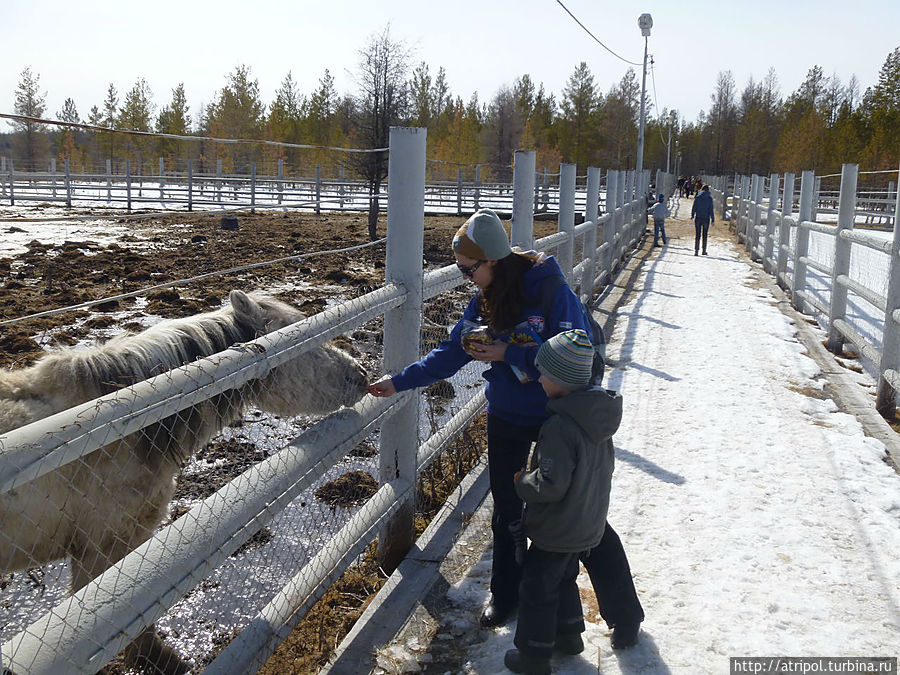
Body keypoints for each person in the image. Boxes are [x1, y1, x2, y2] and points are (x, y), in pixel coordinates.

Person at [366, 209, 642, 634]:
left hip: (559, 417)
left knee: (582, 517)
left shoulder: (550, 290)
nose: (463, 277)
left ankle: (624, 616)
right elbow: (452, 351)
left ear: (492, 261)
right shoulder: (485, 297)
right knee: (507, 511)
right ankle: (507, 593)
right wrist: (399, 382)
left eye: (466, 269)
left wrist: (508, 353)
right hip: (508, 415)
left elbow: (578, 356)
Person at [503, 330, 625, 675]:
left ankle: (533, 656)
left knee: (538, 588)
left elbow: (551, 486)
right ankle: (569, 636)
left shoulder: (559, 426)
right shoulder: (597, 418)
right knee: (564, 577)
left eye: (544, 373)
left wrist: (522, 483)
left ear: (560, 380)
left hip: (557, 527)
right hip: (586, 520)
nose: (539, 378)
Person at [691, 183, 715, 255]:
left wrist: (692, 215)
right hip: (706, 218)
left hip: (698, 217)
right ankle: (704, 250)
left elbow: (694, 207)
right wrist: (712, 219)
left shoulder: (698, 197)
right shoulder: (709, 198)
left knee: (697, 234)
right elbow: (711, 209)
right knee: (705, 234)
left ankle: (696, 250)